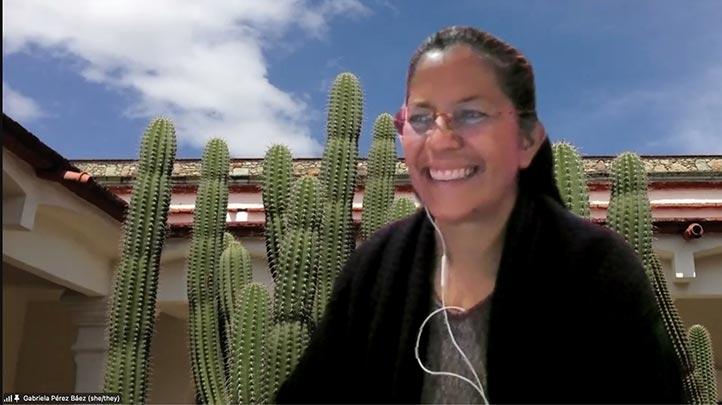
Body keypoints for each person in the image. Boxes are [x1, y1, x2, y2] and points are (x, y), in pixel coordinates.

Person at [275, 26, 686, 404]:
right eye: (420, 118)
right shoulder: (375, 269)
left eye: (470, 114)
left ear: (527, 141)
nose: (440, 140)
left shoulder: (595, 269)